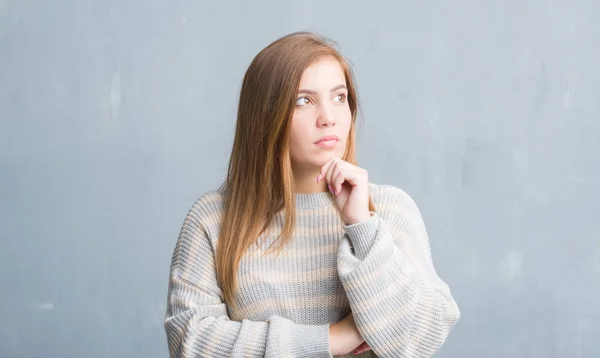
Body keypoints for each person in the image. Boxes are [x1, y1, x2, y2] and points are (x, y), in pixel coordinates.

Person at [164, 31, 460, 357]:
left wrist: (362, 227)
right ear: (265, 117)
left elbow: (421, 338)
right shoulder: (214, 220)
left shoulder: (389, 209)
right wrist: (329, 340)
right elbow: (190, 342)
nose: (329, 119)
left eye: (339, 97)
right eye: (303, 100)